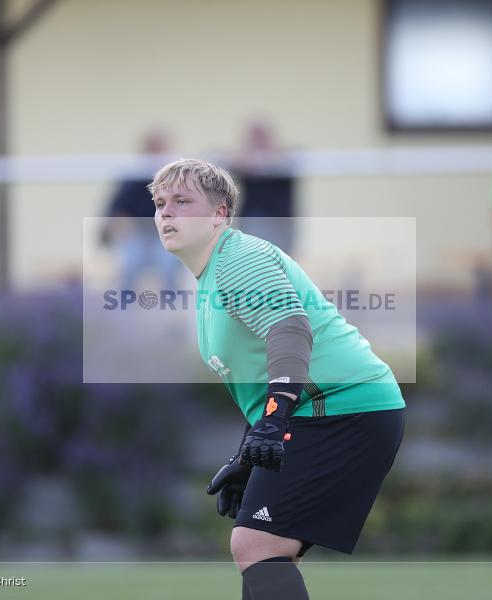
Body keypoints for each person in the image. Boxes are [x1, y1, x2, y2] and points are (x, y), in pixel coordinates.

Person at [149, 159, 404, 599]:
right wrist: (250, 451)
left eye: (182, 201)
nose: (166, 212)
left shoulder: (237, 259)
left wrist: (272, 423)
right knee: (263, 552)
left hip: (343, 408)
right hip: (323, 411)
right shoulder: (213, 273)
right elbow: (262, 371)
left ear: (220, 214)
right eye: (159, 203)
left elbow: (290, 330)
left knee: (256, 546)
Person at [101, 130, 180, 292]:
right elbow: (117, 210)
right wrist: (117, 228)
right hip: (138, 234)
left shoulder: (179, 179)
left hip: (167, 233)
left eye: (160, 149)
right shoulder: (133, 177)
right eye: (152, 149)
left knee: (168, 264)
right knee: (129, 264)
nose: (156, 155)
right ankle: (124, 303)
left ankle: (173, 303)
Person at [231, 120, 297, 254]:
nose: (258, 142)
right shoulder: (240, 161)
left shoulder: (286, 158)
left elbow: (291, 159)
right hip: (254, 218)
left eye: (261, 137)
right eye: (255, 138)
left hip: (281, 220)